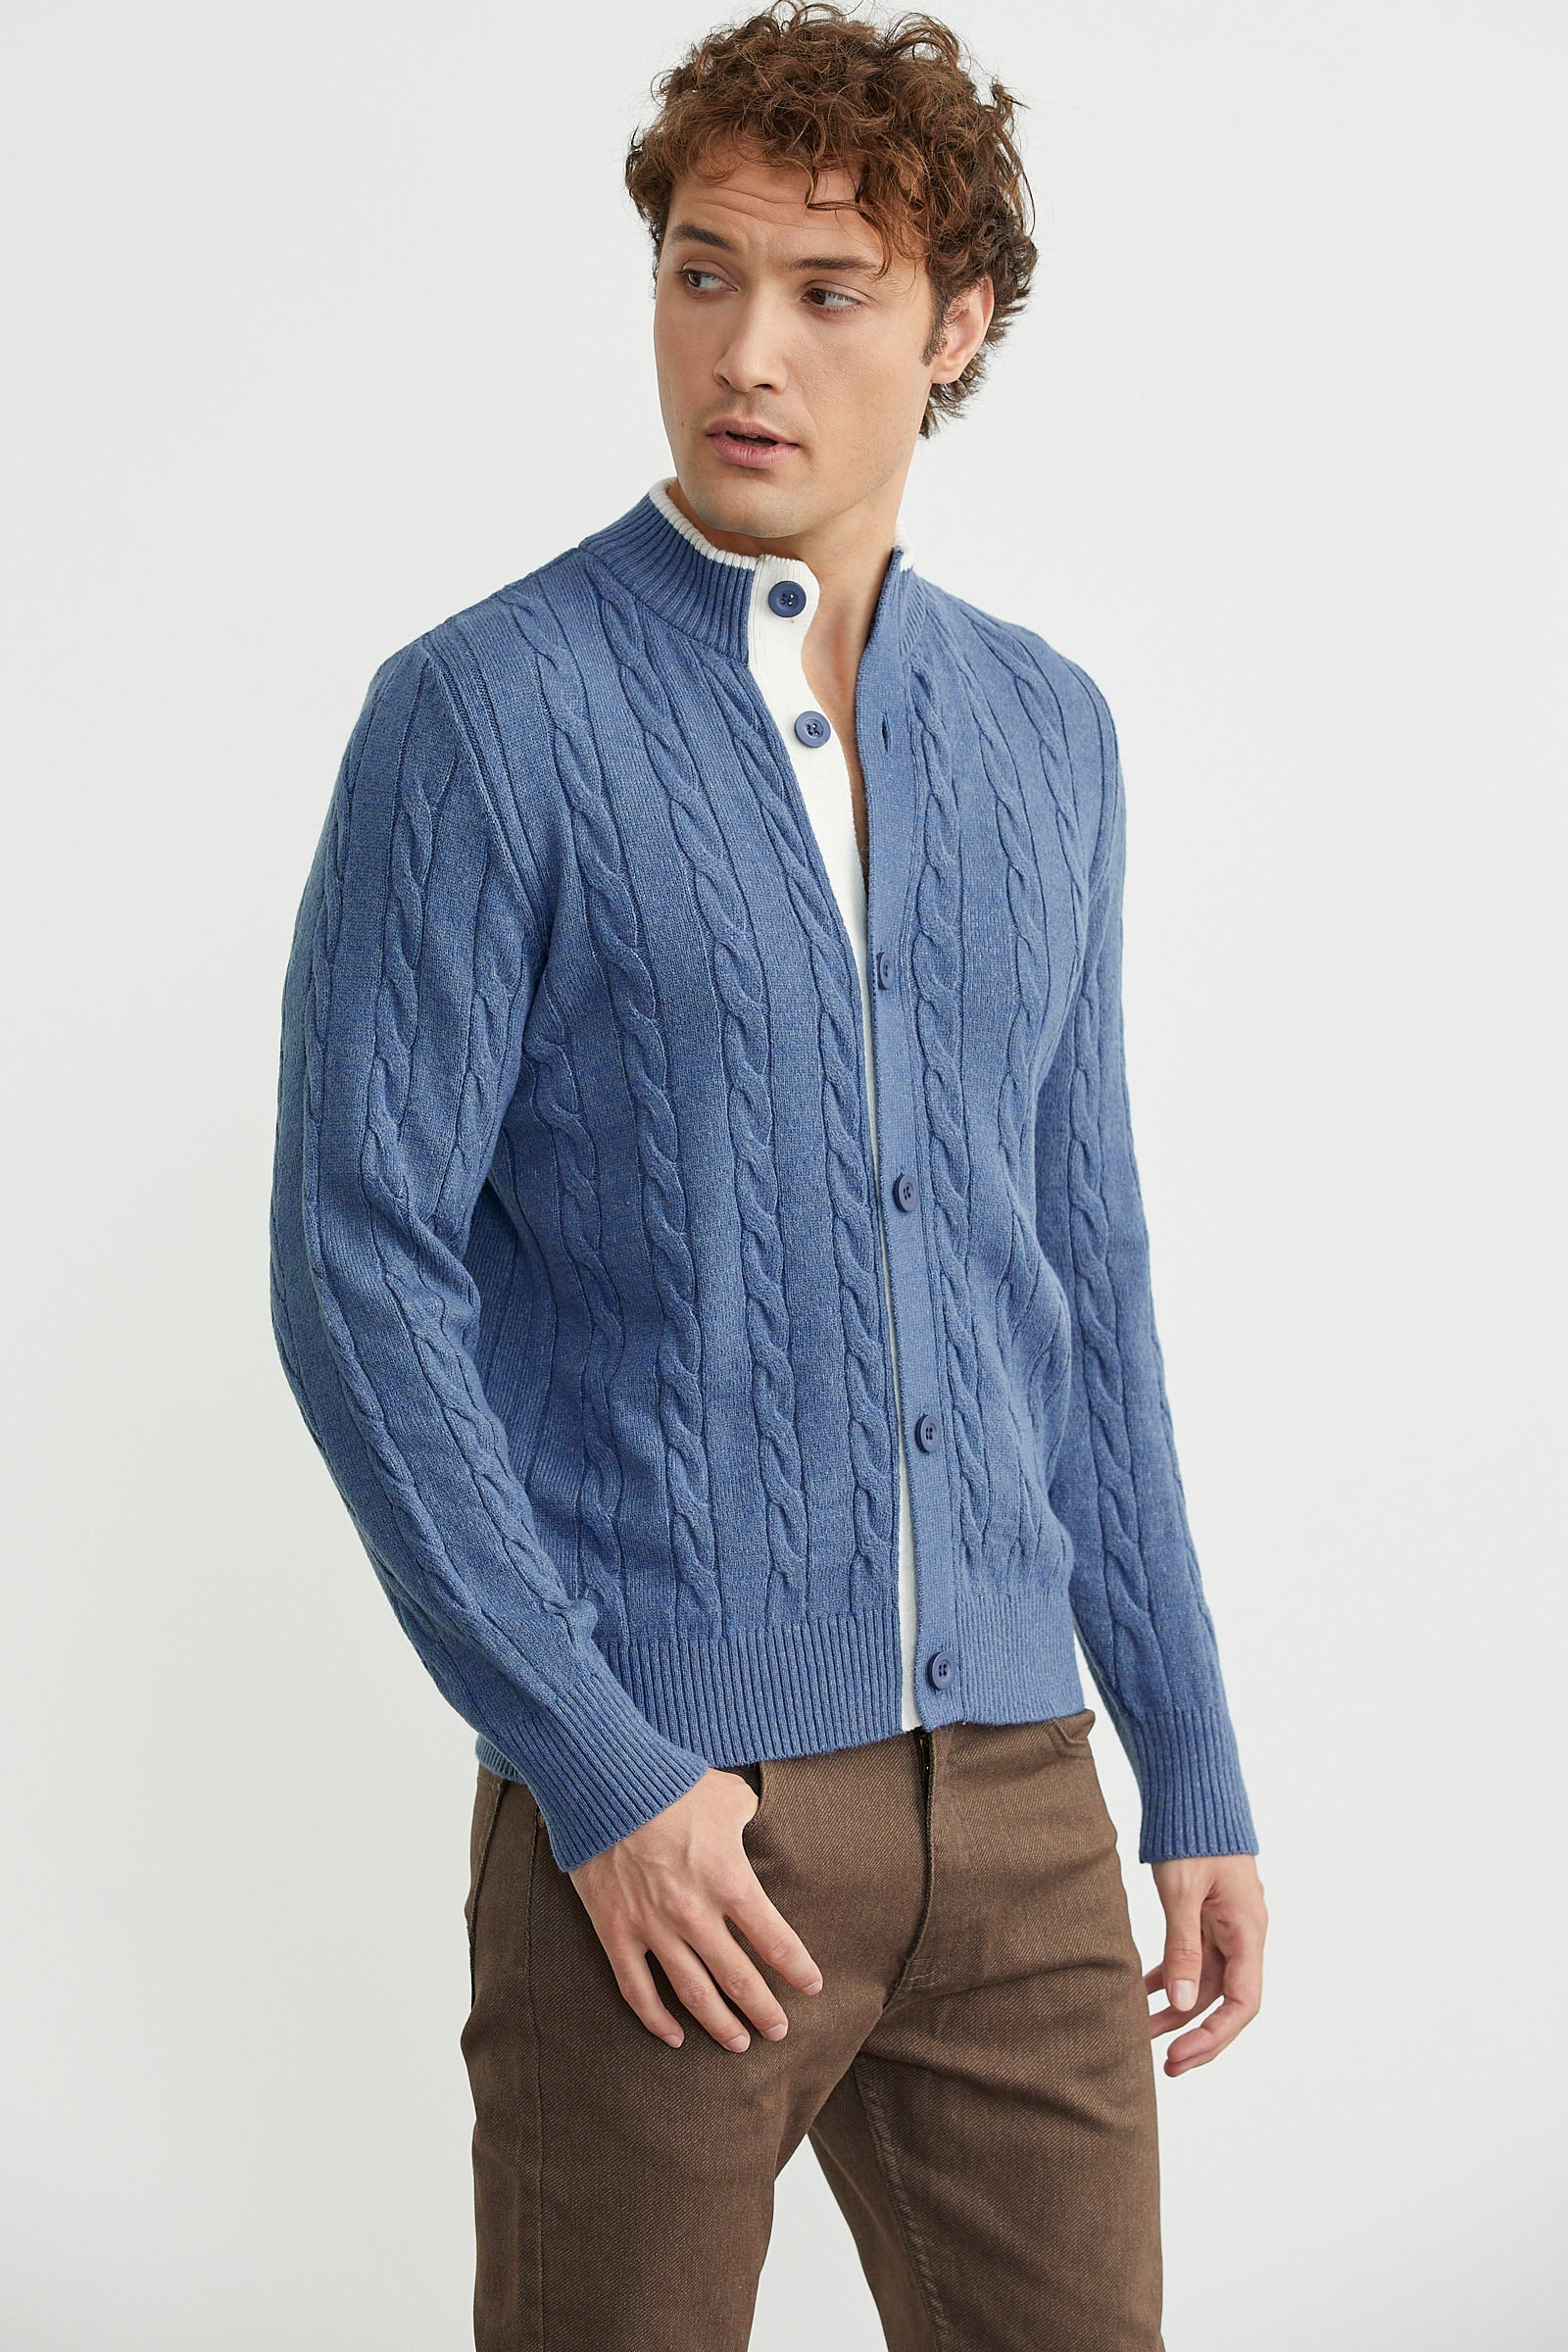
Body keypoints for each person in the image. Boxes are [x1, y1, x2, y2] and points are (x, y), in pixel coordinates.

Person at [269, 5, 1268, 2344]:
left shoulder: (1044, 732)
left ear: (955, 327)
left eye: (827, 291)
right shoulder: (484, 713)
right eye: (699, 273)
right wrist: (596, 1765)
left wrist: (1193, 1760)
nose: (742, 350)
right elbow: (355, 1269)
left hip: (1018, 1805)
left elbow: (1080, 1270)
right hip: (669, 1818)